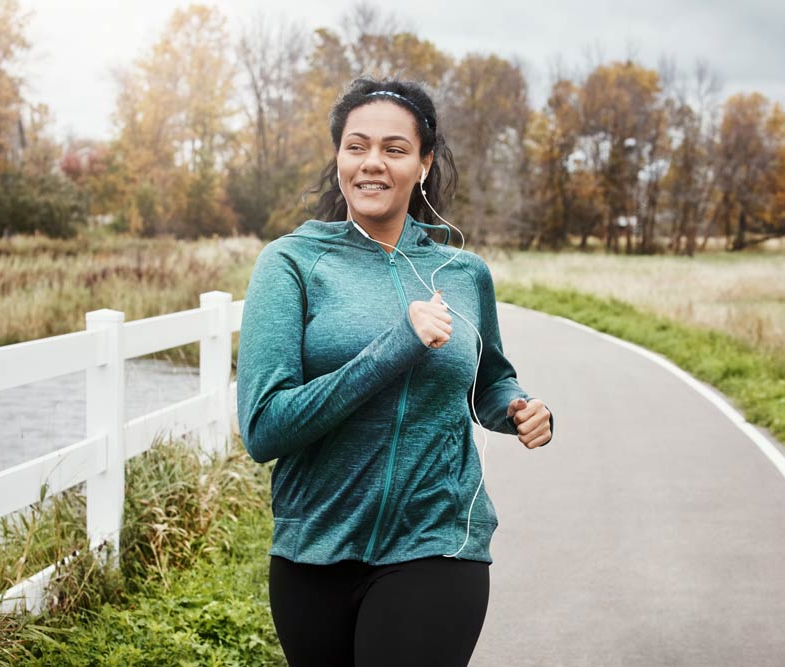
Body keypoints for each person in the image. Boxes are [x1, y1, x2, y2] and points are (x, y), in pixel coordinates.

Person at [236, 76, 554, 667]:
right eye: (356, 146)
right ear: (338, 160)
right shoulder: (292, 264)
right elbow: (263, 428)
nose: (372, 163)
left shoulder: (463, 273)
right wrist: (395, 346)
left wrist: (517, 408)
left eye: (394, 148)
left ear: (424, 164)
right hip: (316, 546)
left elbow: (490, 381)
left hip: (438, 541)